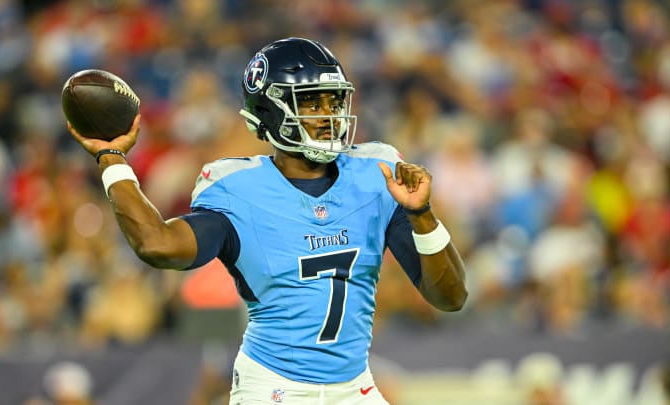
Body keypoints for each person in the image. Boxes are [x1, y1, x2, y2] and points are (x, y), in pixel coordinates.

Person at [66, 37, 468, 404]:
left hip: (355, 388)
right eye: (311, 102)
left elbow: (450, 298)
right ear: (270, 111)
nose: (328, 115)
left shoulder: (376, 173)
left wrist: (422, 214)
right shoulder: (239, 189)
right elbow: (157, 245)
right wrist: (112, 160)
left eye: (333, 101)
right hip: (274, 389)